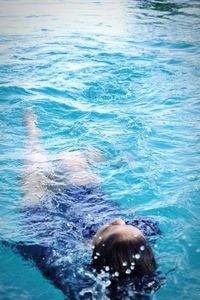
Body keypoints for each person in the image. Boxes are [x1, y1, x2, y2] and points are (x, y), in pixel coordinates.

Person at [9, 109, 162, 299]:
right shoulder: (147, 231)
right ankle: (116, 161)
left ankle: (32, 131)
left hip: (44, 217)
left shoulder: (66, 266)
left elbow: (30, 248)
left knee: (35, 172)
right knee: (69, 157)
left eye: (111, 229)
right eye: (129, 225)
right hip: (88, 201)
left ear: (97, 251)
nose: (119, 220)